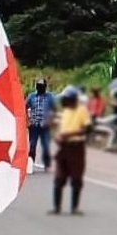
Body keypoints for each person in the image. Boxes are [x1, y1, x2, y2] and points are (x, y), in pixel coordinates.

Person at [51, 85, 91, 215]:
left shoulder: (82, 110)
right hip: (64, 148)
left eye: (65, 99)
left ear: (72, 99)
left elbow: (87, 129)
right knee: (59, 177)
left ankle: (74, 207)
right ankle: (57, 207)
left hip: (76, 148)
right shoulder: (66, 112)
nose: (63, 102)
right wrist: (58, 137)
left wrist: (70, 135)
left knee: (76, 178)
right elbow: (61, 130)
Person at [26, 79, 56, 171]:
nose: (40, 88)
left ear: (45, 87)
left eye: (42, 86)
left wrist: (50, 120)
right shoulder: (31, 96)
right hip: (34, 125)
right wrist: (28, 120)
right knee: (32, 145)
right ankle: (30, 164)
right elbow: (24, 107)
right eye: (38, 86)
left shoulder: (50, 96)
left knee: (46, 145)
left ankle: (47, 164)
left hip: (45, 126)